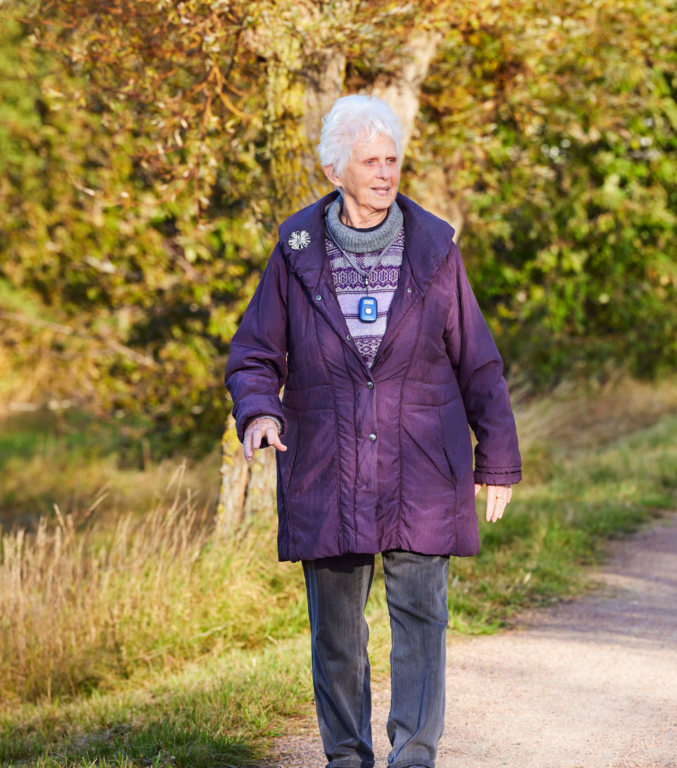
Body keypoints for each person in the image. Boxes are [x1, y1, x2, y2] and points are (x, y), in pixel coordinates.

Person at [225, 94, 522, 768]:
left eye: (392, 160)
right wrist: (260, 411)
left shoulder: (435, 250)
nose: (386, 173)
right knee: (336, 633)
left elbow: (478, 361)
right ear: (336, 172)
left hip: (423, 466)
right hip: (326, 466)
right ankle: (347, 757)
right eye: (371, 162)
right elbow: (255, 354)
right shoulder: (296, 252)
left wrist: (497, 460)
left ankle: (414, 754)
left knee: (422, 619)